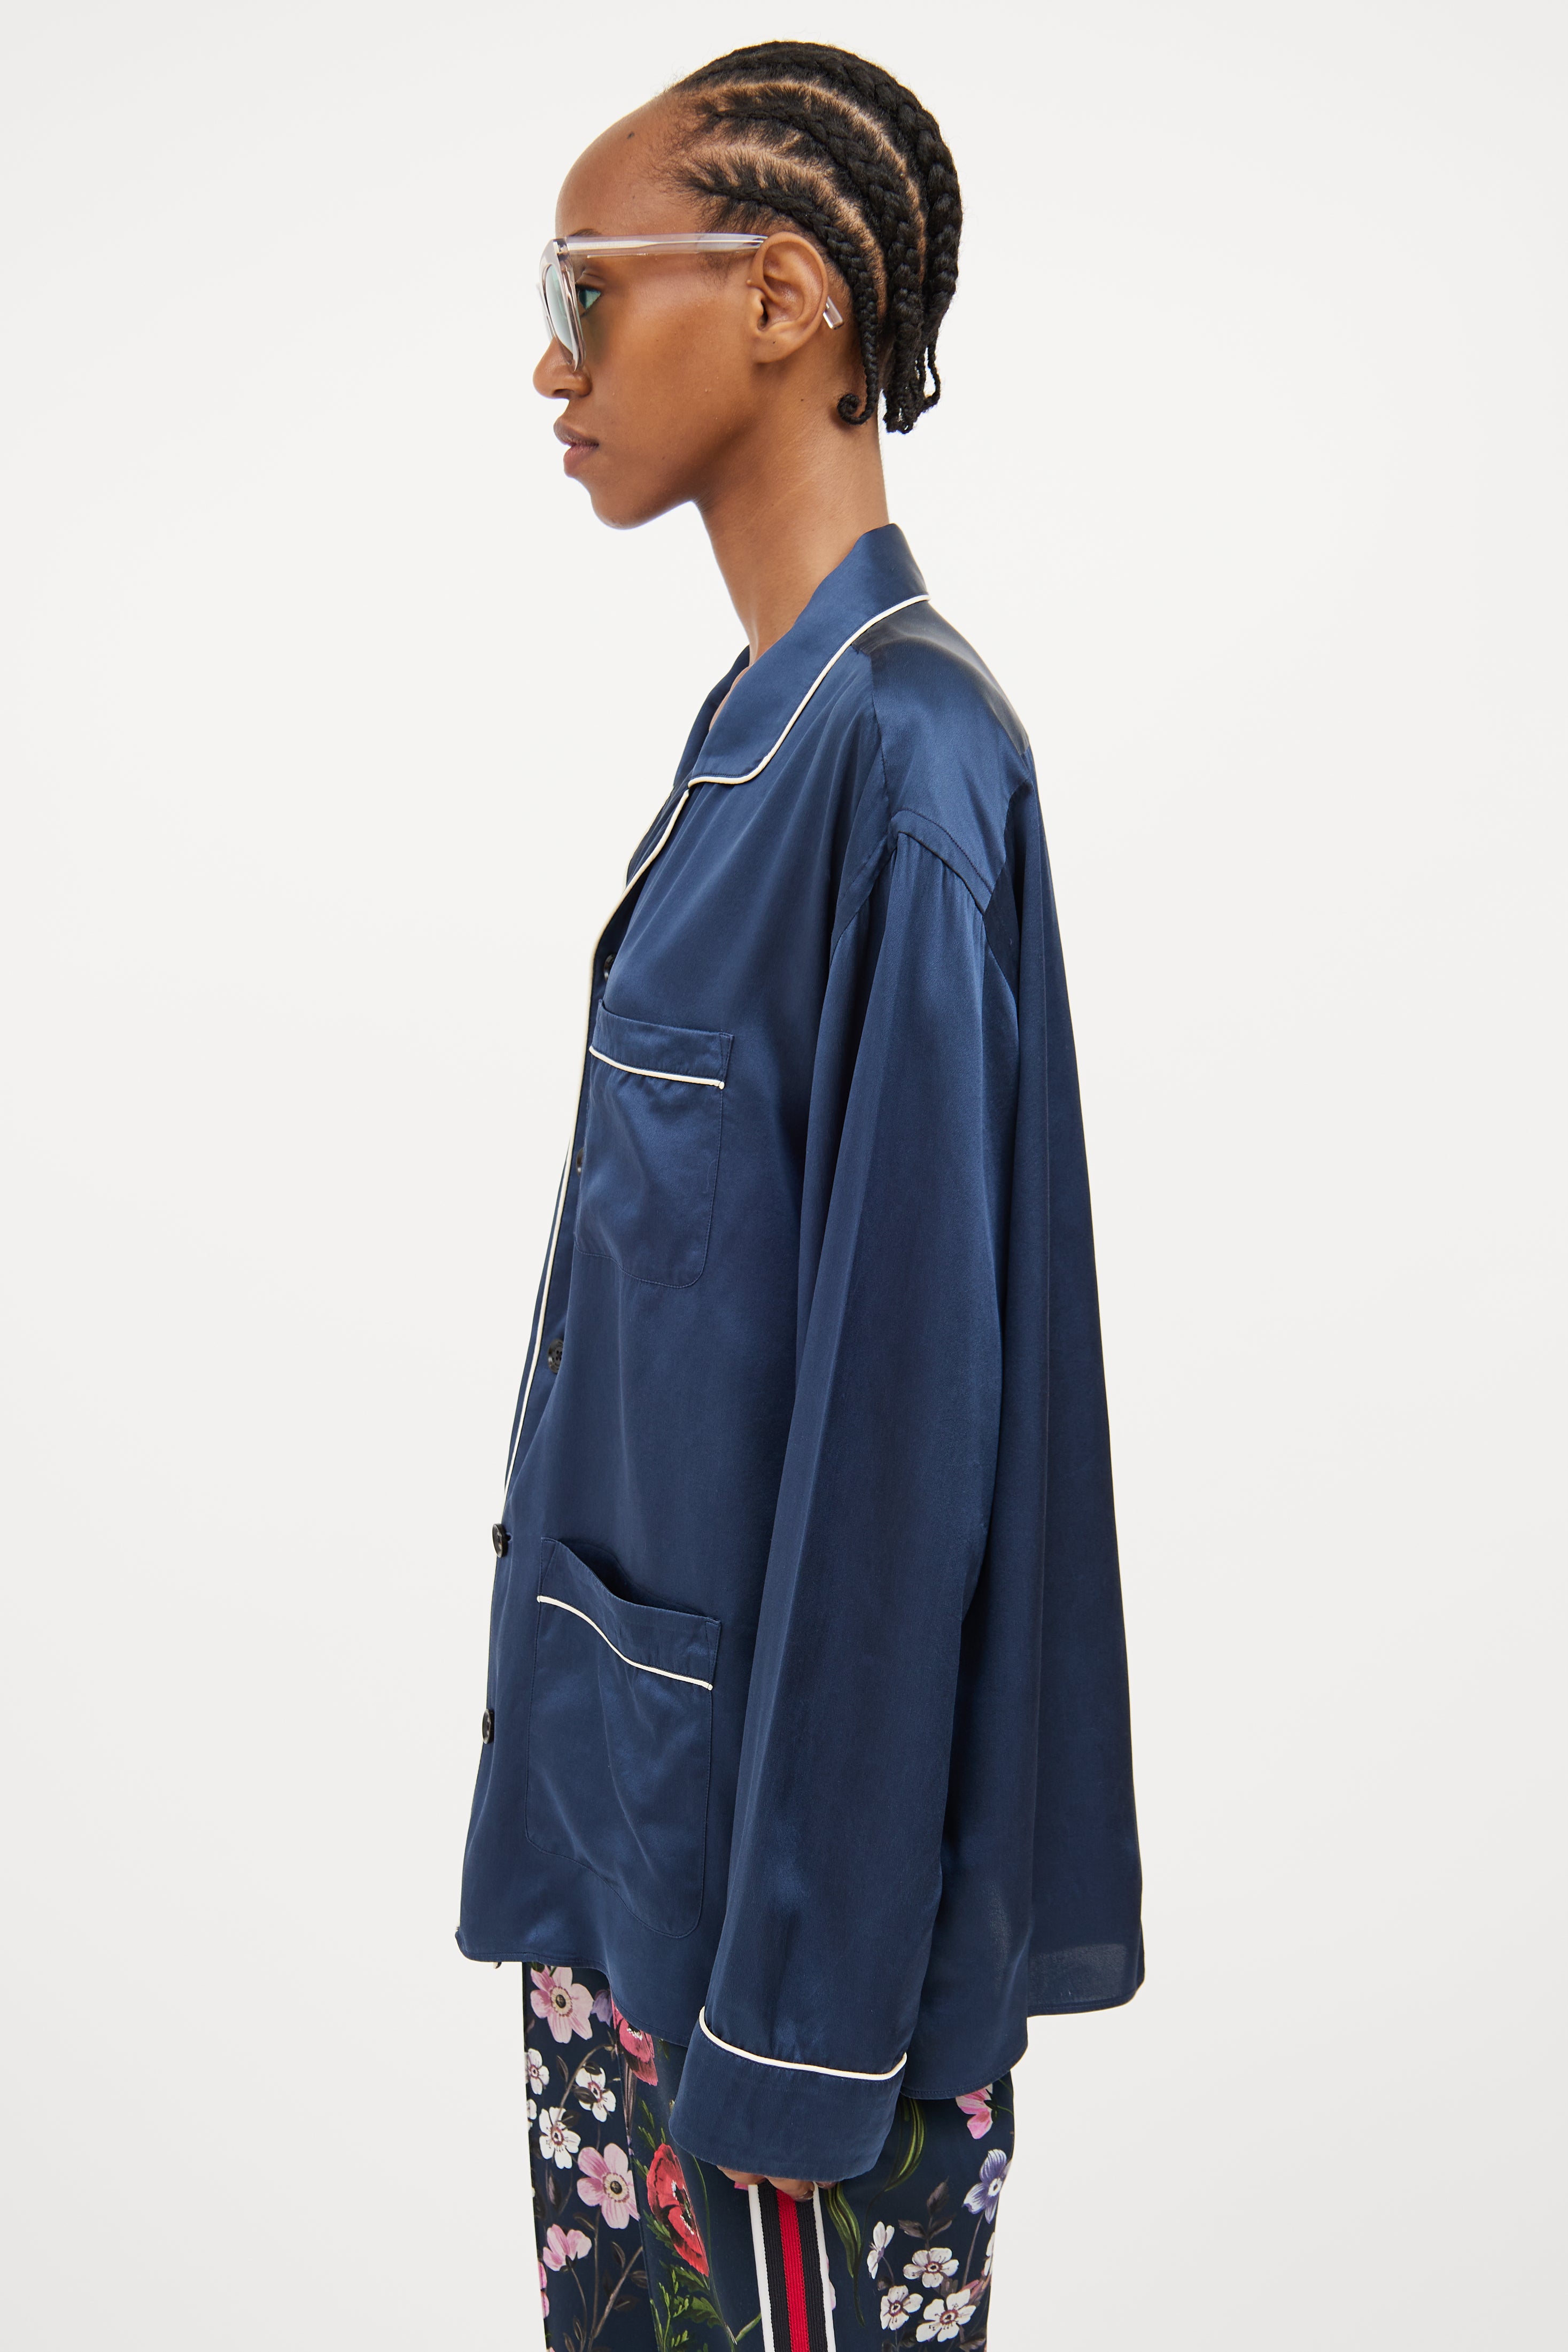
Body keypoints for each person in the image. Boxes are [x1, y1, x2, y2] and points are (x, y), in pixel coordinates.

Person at [458, 41, 1142, 2350]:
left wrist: (800, 2026)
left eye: (582, 290)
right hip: (643, 1869)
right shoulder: (757, 729)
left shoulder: (906, 762)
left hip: (779, 1972)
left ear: (778, 300)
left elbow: (904, 1457)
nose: (549, 365)